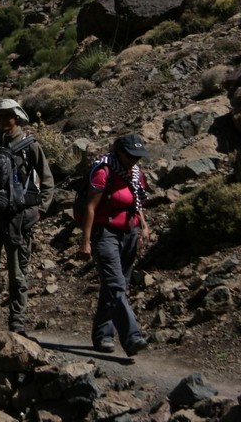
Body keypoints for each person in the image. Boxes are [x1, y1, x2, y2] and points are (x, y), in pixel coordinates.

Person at [0, 98, 54, 336]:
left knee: (17, 275)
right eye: (0, 115)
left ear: (17, 117)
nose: (3, 119)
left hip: (17, 218)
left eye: (7, 115)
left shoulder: (30, 146)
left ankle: (17, 323)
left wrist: (40, 211)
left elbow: (47, 181)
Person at [78, 132, 152, 356]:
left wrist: (144, 225)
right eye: (130, 156)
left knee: (115, 287)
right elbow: (90, 207)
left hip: (129, 233)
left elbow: (137, 200)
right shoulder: (104, 171)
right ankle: (132, 338)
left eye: (137, 157)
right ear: (119, 152)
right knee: (117, 286)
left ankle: (103, 336)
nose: (134, 161)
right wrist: (86, 241)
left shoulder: (135, 173)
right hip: (105, 233)